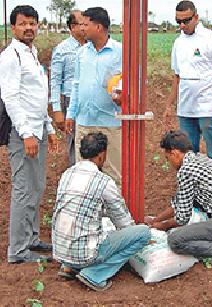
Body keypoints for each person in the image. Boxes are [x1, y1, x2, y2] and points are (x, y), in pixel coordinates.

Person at [146, 130, 212, 278]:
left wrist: (162, 226)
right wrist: (156, 220)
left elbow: (182, 218)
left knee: (176, 240)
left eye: (168, 158)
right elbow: (180, 202)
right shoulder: (199, 159)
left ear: (174, 153)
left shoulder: (186, 170)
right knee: (191, 232)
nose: (169, 163)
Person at [52, 132, 151, 291]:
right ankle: (94, 274)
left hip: (60, 251)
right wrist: (135, 232)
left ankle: (69, 267)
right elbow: (123, 221)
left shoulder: (67, 174)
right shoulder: (104, 182)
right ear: (101, 155)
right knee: (143, 233)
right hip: (85, 255)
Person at [0, 5, 57, 263]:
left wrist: (48, 127)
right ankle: (18, 251)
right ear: (13, 28)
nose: (29, 27)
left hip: (37, 130)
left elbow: (36, 97)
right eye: (23, 23)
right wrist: (26, 133)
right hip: (24, 134)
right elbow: (11, 98)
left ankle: (31, 238)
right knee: (24, 188)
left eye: (32, 23)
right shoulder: (11, 56)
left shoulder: (32, 54)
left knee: (37, 186)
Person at [164, 0, 212, 170]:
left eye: (186, 21)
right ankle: (193, 192)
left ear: (196, 17)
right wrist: (169, 105)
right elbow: (177, 76)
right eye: (178, 22)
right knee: (188, 155)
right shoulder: (178, 43)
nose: (182, 26)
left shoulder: (211, 39)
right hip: (186, 107)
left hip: (208, 105)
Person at [65, 7, 122, 186]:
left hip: (110, 122)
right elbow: (76, 85)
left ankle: (112, 212)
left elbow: (133, 83)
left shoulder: (120, 52)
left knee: (112, 173)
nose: (82, 28)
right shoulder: (82, 53)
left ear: (98, 27)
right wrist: (70, 114)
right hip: (84, 121)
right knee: (83, 174)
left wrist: (123, 96)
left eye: (85, 24)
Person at [50, 10, 86, 166]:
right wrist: (57, 111)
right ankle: (76, 177)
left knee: (91, 142)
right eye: (82, 23)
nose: (86, 27)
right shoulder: (62, 50)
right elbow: (55, 81)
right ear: (73, 27)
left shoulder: (93, 46)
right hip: (71, 101)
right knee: (75, 143)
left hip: (90, 100)